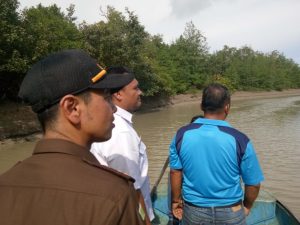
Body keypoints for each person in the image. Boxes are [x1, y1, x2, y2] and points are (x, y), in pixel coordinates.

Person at [0, 49, 144, 225]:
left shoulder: (5, 184)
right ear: (72, 108)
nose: (113, 108)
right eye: (106, 98)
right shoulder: (115, 194)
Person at [169, 83, 264, 225]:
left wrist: (176, 201)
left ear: (201, 105)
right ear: (227, 107)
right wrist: (246, 206)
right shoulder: (240, 139)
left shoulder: (181, 135)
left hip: (194, 210)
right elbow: (253, 184)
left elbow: (175, 172)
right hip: (231, 211)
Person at [90, 67, 154, 224]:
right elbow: (131, 187)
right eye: (135, 88)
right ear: (118, 94)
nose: (140, 92)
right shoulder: (120, 131)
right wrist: (145, 221)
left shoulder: (111, 123)